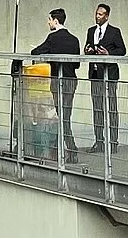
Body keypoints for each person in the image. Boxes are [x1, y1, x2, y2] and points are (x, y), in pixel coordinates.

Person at [31, 8, 84, 159]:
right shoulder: (74, 39)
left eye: (49, 20)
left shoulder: (52, 38)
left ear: (56, 20)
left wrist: (48, 55)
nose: (48, 22)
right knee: (65, 115)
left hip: (57, 80)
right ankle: (63, 148)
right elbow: (76, 65)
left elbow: (35, 52)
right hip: (71, 80)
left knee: (60, 116)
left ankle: (71, 149)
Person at [84, 2, 127, 155]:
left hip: (109, 74)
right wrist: (88, 50)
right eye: (96, 14)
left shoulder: (114, 32)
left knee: (111, 108)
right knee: (97, 108)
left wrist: (108, 54)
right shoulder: (91, 31)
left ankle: (113, 142)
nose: (97, 17)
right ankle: (99, 141)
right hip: (95, 74)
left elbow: (122, 50)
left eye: (100, 14)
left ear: (107, 16)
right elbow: (87, 47)